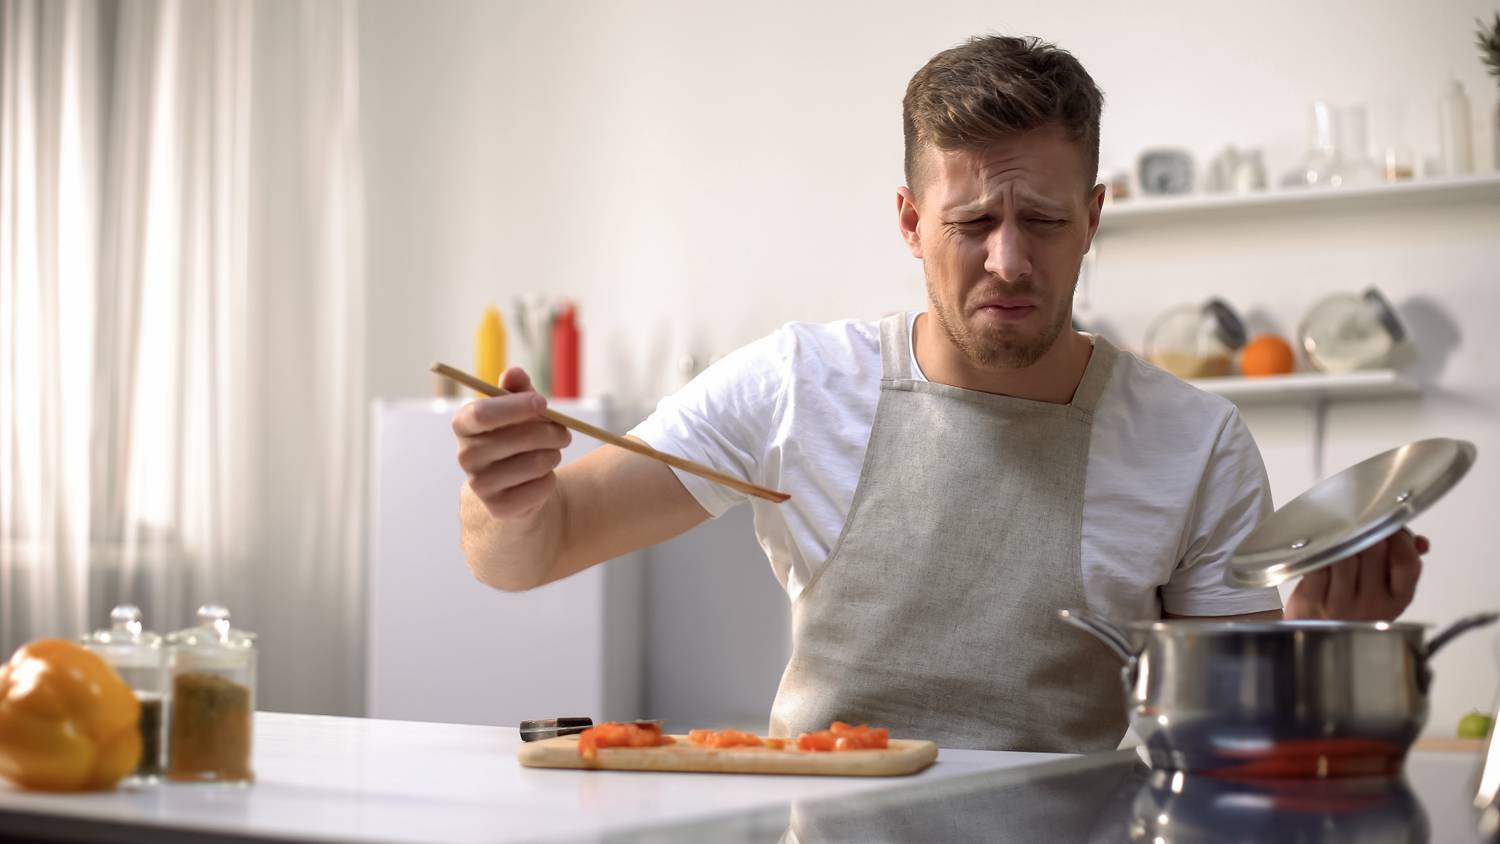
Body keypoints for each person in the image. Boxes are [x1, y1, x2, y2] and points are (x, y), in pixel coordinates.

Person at [450, 35, 1424, 752]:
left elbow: (1235, 746)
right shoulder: (800, 384)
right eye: (972, 222)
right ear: (912, 222)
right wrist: (505, 499)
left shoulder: (1193, 439)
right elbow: (529, 554)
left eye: (1043, 219)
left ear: (1092, 219)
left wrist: (1333, 634)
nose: (1009, 260)